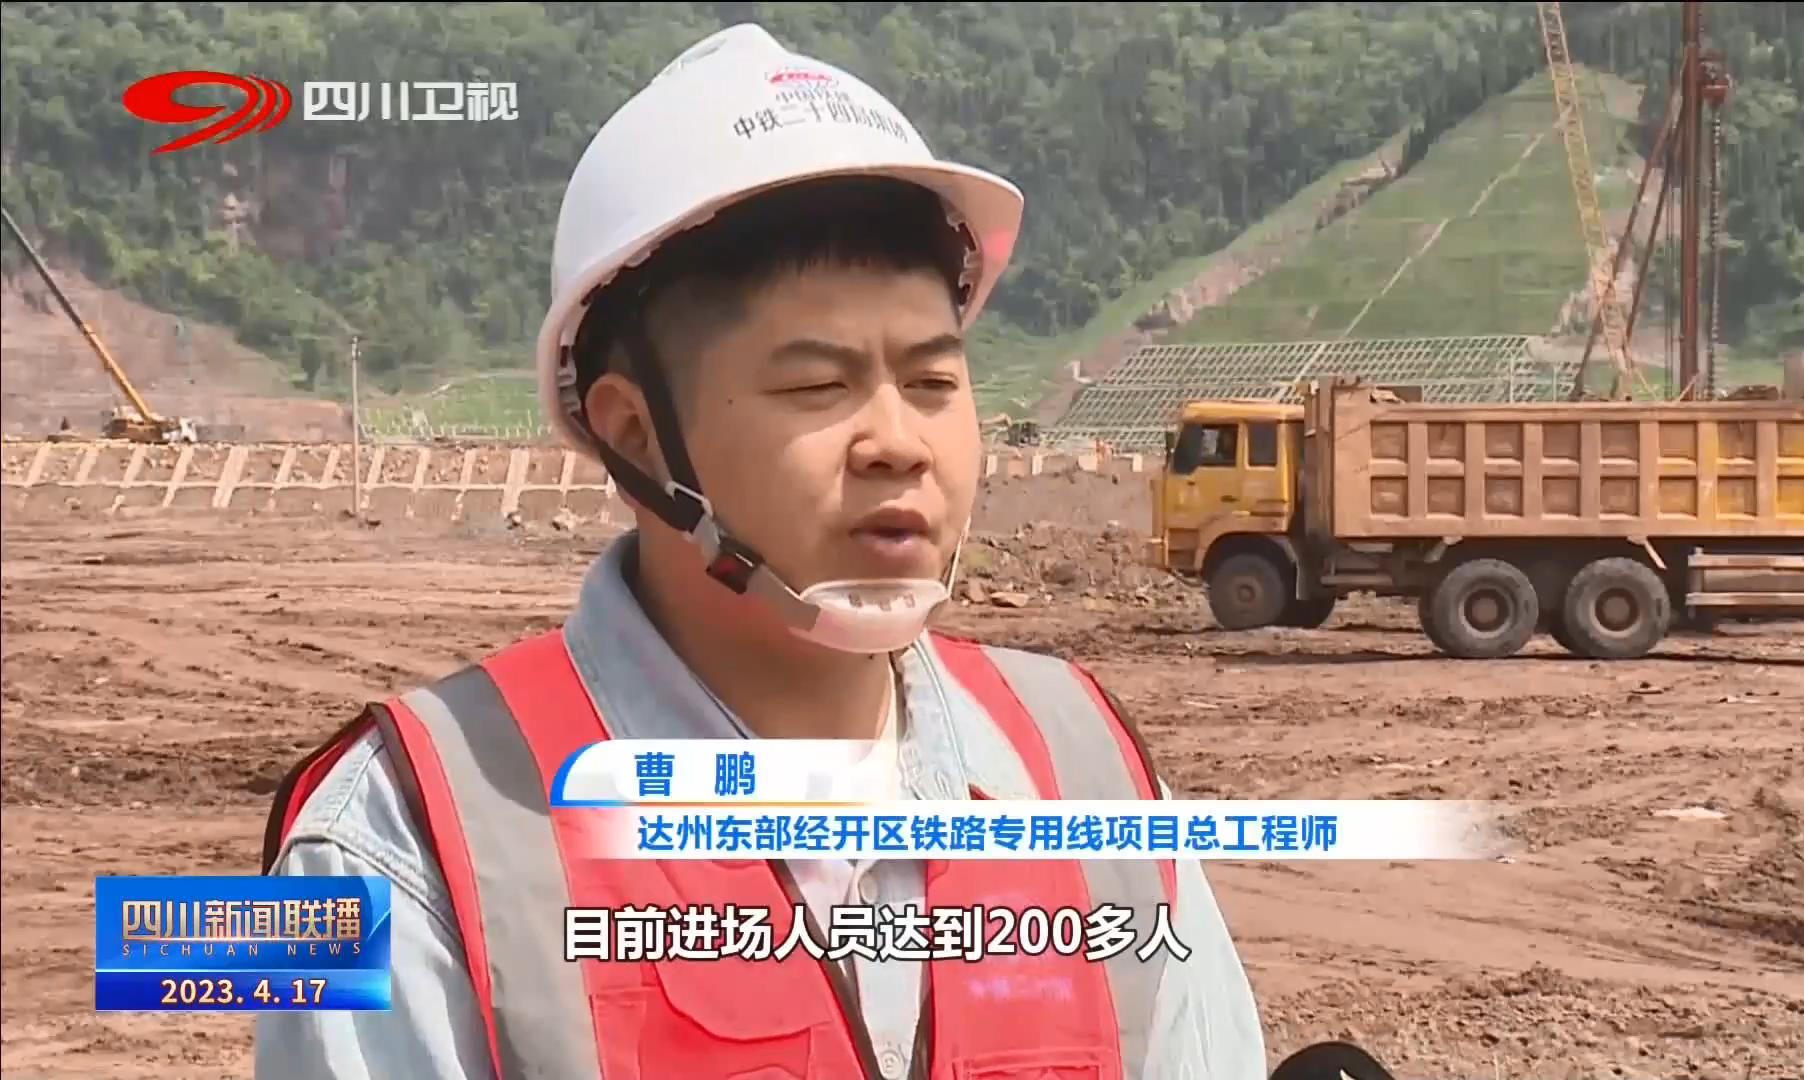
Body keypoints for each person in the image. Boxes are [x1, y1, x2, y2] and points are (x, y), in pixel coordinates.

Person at [257, 22, 1266, 1080]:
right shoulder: (393, 840)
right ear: (636, 435)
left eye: (933, 381)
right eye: (818, 386)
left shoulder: (1091, 772)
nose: (899, 443)